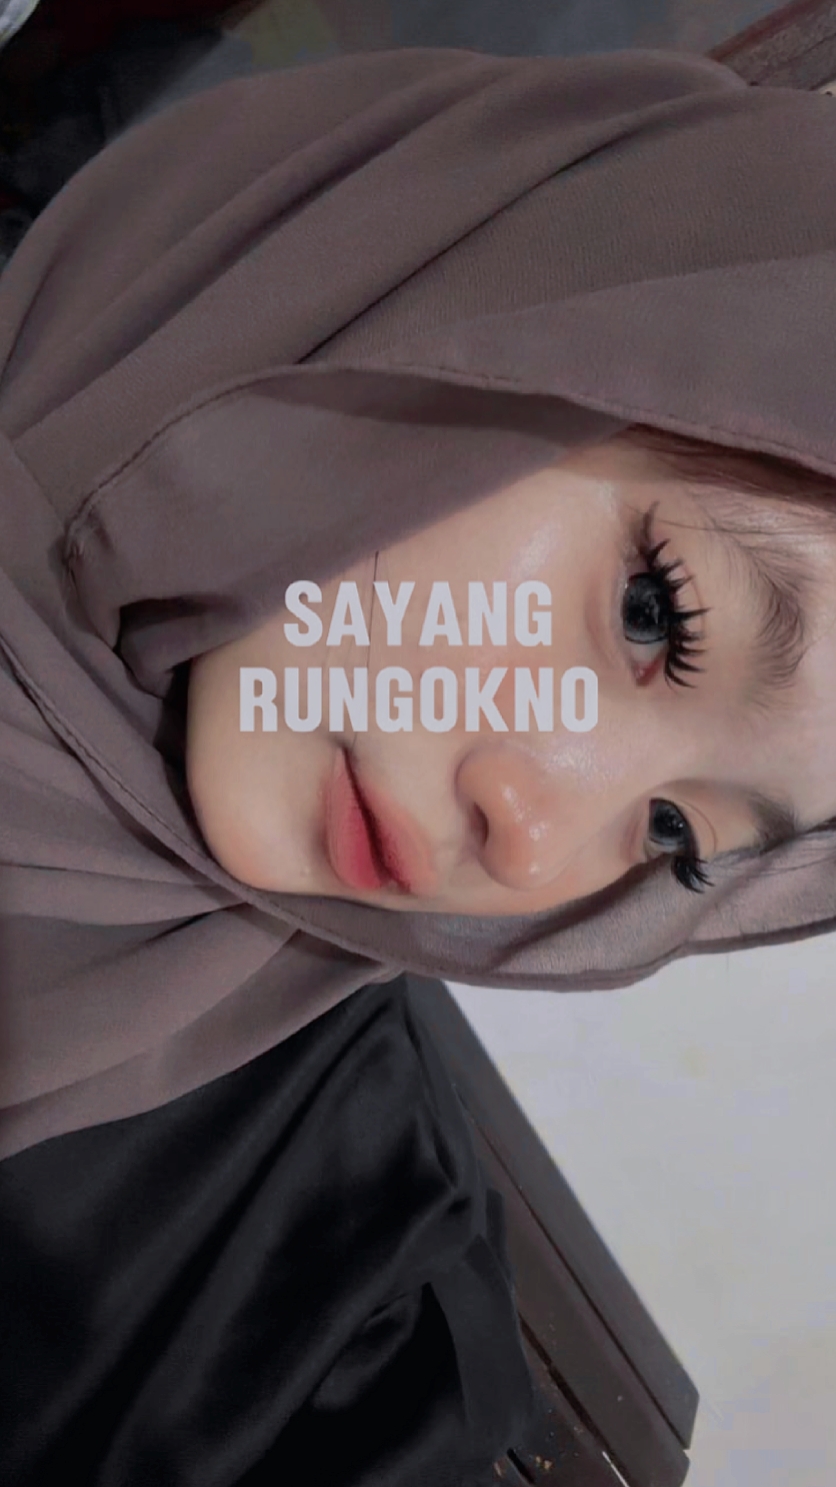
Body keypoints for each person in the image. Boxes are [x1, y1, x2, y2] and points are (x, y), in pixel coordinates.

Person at [3, 39, 836, 1483]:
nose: (535, 836)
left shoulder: (320, 1325)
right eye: (658, 613)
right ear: (476, 281)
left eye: (679, 838)